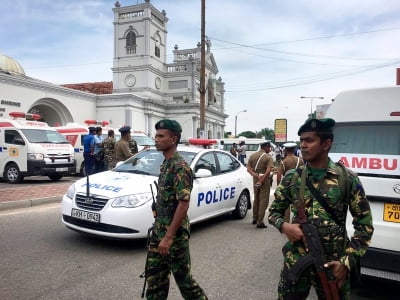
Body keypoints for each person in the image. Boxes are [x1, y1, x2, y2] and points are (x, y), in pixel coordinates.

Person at [268, 118, 373, 299]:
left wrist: (346, 262)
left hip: (333, 264)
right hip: (297, 261)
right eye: (301, 141)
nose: (303, 145)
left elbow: (365, 227)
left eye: (309, 140)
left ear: (326, 144)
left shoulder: (347, 179)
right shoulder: (292, 178)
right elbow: (274, 212)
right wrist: (285, 227)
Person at [145, 119, 208, 299]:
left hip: (174, 236)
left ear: (173, 140)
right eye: (156, 135)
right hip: (159, 232)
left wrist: (169, 237)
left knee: (185, 282)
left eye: (160, 136)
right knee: (155, 279)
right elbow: (168, 198)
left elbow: (183, 203)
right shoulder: (166, 164)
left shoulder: (180, 167)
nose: (156, 139)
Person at [247, 141, 274, 228]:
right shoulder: (268, 157)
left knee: (256, 198)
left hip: (255, 179)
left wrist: (256, 176)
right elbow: (268, 170)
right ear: (266, 147)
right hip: (264, 180)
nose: (270, 149)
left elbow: (248, 169)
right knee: (263, 200)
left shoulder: (252, 155)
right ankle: (260, 221)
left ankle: (254, 218)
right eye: (269, 147)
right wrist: (262, 180)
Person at [277, 142, 304, 223]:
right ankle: (299, 221)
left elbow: (279, 174)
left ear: (285, 150)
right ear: (294, 149)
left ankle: (286, 222)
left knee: (286, 204)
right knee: (299, 203)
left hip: (287, 184)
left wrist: (279, 185)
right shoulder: (300, 160)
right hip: (298, 184)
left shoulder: (284, 161)